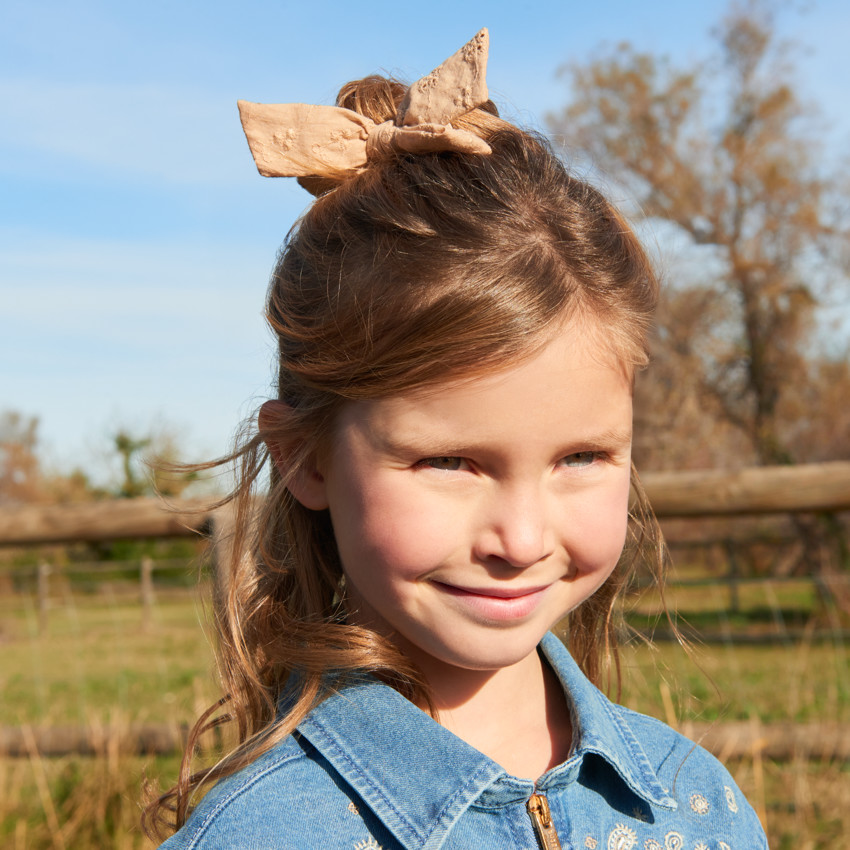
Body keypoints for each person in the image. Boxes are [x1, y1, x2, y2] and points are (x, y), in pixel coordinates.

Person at [148, 29, 768, 850]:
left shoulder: (696, 808)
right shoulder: (260, 834)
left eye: (580, 457)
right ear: (305, 457)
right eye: (450, 462)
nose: (521, 539)